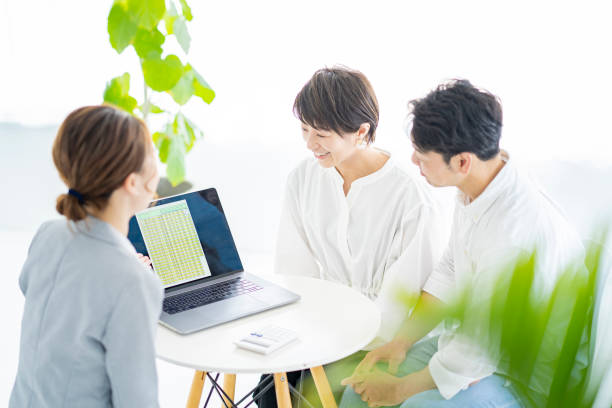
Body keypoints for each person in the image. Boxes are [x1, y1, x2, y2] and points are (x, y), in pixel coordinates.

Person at [340, 79, 584, 407]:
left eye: (423, 155)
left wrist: (397, 390)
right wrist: (401, 341)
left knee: (410, 404)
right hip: (476, 349)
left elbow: (478, 350)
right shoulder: (478, 185)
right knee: (357, 393)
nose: (413, 161)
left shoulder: (511, 238)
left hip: (523, 377)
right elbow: (451, 268)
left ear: (462, 162)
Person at [255, 66, 446, 407]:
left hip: (379, 337)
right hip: (320, 323)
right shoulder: (302, 179)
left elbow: (403, 298)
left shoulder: (409, 196)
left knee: (316, 398)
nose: (310, 143)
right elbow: (295, 270)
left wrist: (336, 342)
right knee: (268, 394)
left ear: (361, 131)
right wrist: (302, 332)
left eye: (322, 134)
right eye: (304, 129)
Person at [10, 105, 164, 407]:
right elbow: (137, 400)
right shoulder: (134, 281)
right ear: (132, 182)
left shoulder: (47, 235)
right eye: (152, 154)